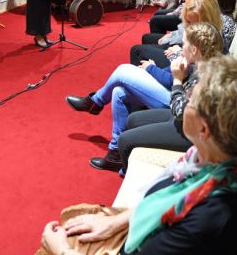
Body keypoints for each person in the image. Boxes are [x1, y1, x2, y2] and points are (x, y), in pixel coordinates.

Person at [34, 56, 237, 255]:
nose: (184, 102)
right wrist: (116, 221)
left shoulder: (211, 217)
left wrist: (61, 254)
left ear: (204, 130)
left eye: (190, 101)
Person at [66, 22, 224, 172]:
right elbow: (173, 77)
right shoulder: (197, 63)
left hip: (176, 113)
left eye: (184, 45)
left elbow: (179, 109)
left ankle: (95, 102)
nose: (181, 49)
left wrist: (173, 78)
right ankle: (115, 154)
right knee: (119, 92)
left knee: (123, 70)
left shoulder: (203, 75)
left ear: (194, 50)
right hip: (173, 98)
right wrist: (159, 70)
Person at [130, 0, 225, 69]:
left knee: (137, 50)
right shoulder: (208, 29)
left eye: (192, 23)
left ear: (206, 20)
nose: (188, 26)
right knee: (147, 38)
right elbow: (184, 34)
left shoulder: (213, 39)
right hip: (182, 52)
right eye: (187, 21)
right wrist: (172, 38)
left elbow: (195, 67)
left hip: (184, 65)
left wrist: (178, 51)